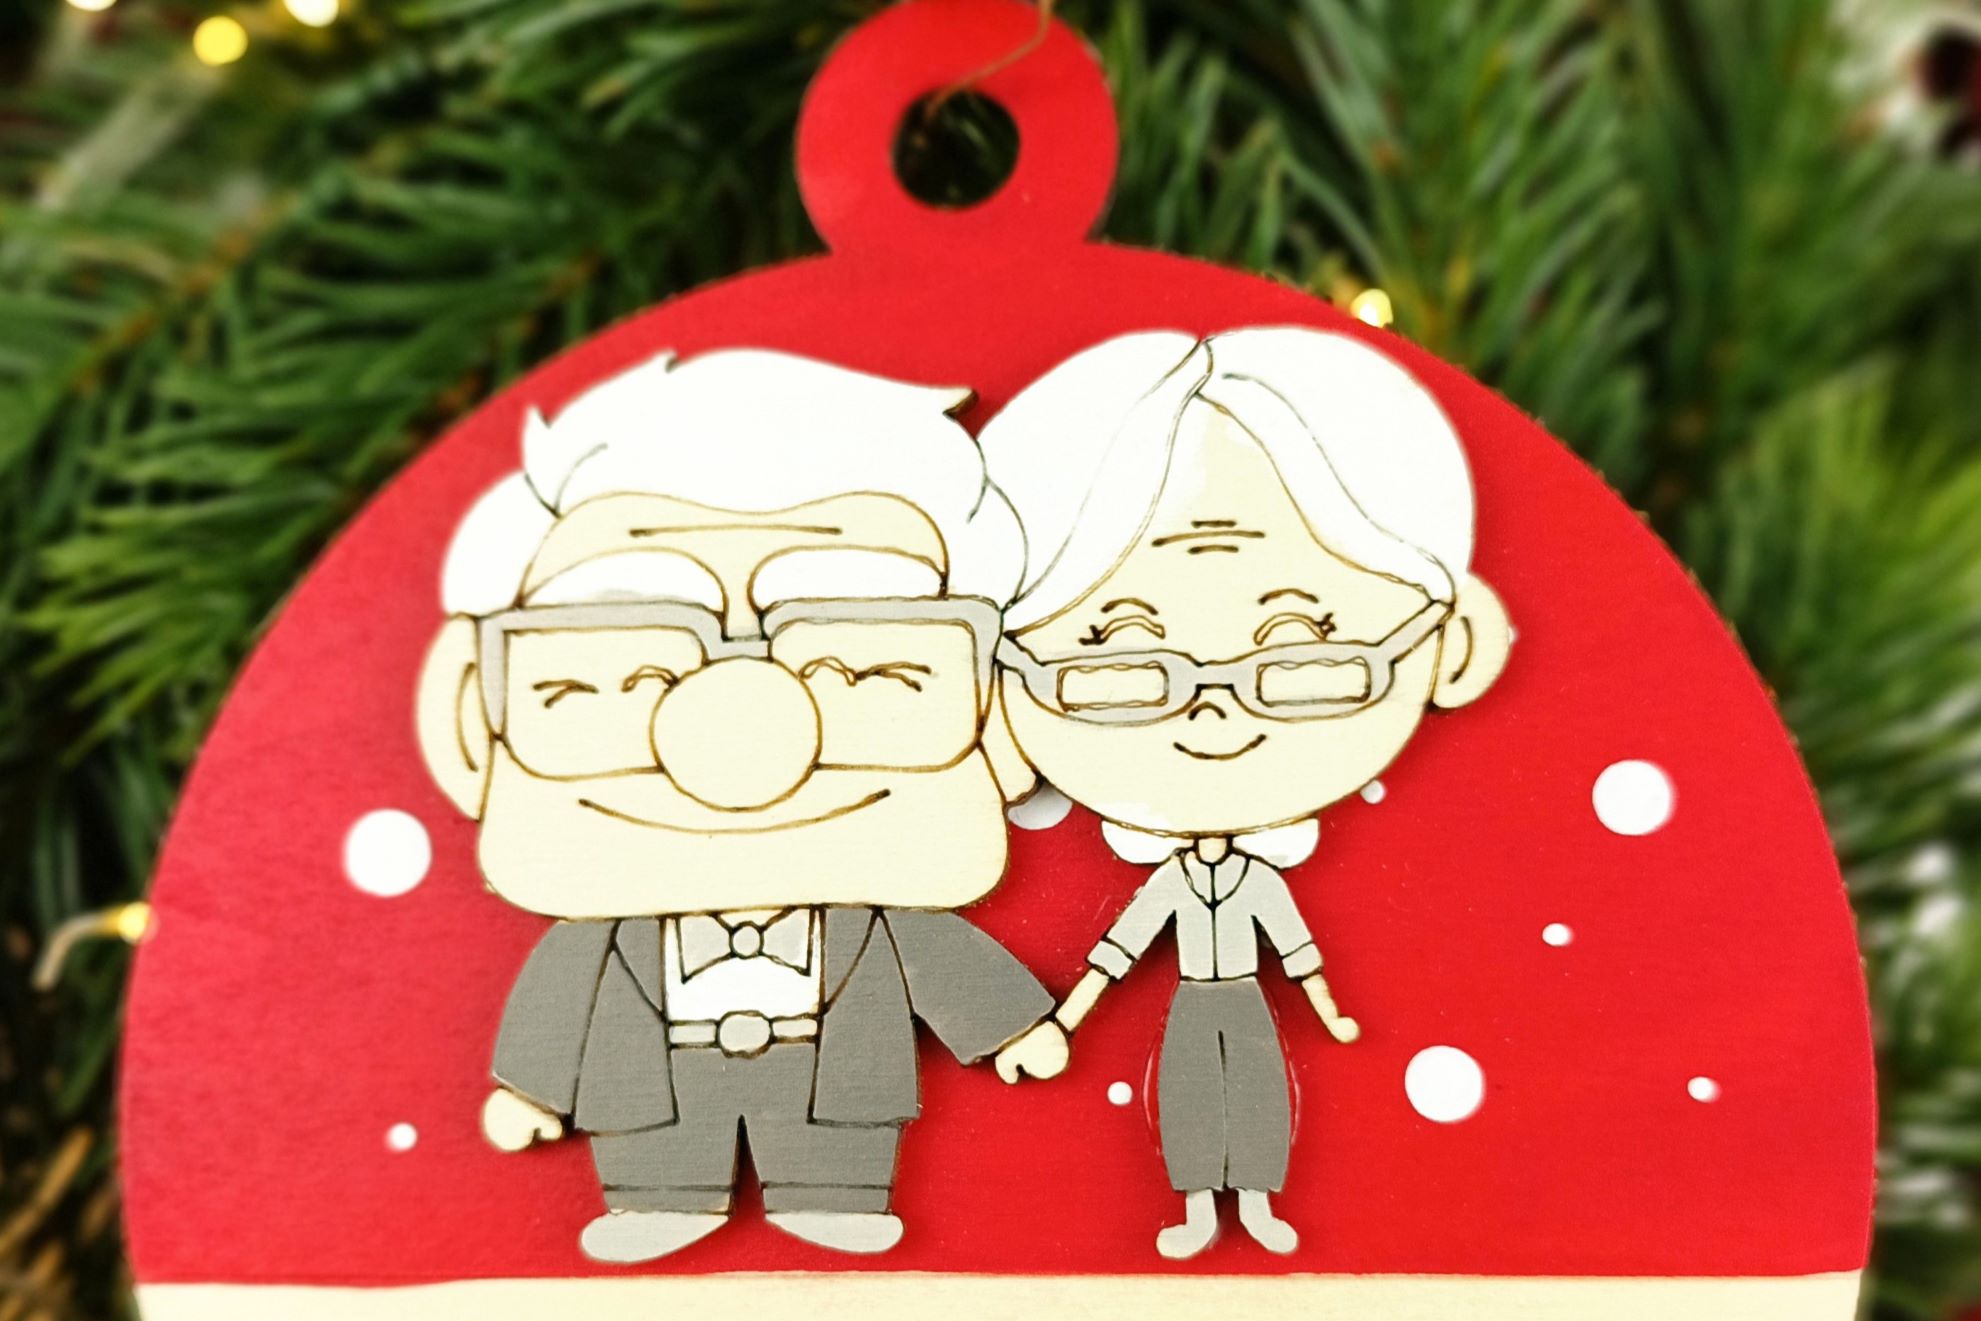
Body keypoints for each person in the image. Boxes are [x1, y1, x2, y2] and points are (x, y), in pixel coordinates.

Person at [415, 349, 1069, 1263]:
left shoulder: (885, 915)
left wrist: (1010, 1027)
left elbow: (941, 962)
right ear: (471, 718)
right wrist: (532, 1088)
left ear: (996, 714)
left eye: (864, 669)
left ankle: (835, 1195)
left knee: (838, 1140)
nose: (743, 748)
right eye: (623, 675)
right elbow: (562, 998)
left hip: (834, 1082)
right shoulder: (600, 931)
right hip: (654, 1086)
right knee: (655, 1141)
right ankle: (659, 1200)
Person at [979, 327, 1513, 1258]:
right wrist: (1067, 1015)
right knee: (1191, 1091)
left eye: (1301, 647)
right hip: (1194, 1001)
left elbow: (1295, 948)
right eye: (1118, 654)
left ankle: (1256, 1202)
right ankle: (1198, 1205)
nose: (1213, 711)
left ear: (1452, 645)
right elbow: (1119, 951)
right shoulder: (1171, 883)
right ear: (993, 674)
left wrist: (1329, 1010)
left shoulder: (1260, 881)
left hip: (1245, 1000)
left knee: (1257, 1090)